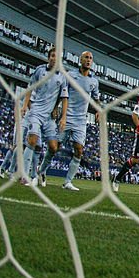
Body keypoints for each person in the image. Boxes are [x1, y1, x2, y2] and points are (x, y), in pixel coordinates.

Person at [35, 51, 100, 192]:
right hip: (67, 116)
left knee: (79, 149)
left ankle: (68, 182)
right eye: (86, 58)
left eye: (90, 58)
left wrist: (98, 111)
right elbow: (62, 93)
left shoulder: (94, 81)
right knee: (54, 147)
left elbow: (96, 98)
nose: (88, 60)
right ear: (80, 59)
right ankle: (41, 172)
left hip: (81, 121)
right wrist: (55, 107)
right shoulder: (70, 75)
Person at [19, 47, 68, 187]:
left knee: (53, 147)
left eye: (57, 56)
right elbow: (30, 88)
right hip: (36, 112)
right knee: (32, 140)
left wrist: (63, 116)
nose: (54, 58)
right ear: (49, 57)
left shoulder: (62, 76)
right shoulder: (40, 70)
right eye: (52, 55)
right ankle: (25, 175)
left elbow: (64, 98)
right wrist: (24, 106)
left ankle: (41, 171)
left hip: (49, 118)